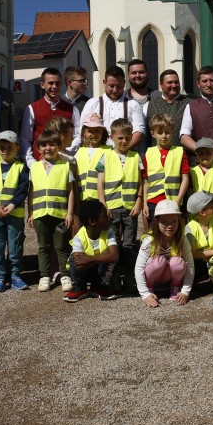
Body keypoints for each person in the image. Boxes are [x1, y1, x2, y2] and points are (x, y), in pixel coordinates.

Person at [27, 129, 76, 293]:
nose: (48, 148)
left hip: (60, 214)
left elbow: (70, 191)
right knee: (43, 246)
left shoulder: (65, 166)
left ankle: (65, 275)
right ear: (38, 148)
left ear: (59, 147)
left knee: (62, 246)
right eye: (43, 145)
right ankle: (44, 276)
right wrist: (31, 213)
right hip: (41, 214)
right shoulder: (34, 167)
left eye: (52, 144)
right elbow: (31, 192)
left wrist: (69, 213)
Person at [0, 131, 30, 292]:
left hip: (14, 214)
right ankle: (0, 277)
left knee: (15, 244)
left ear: (17, 147)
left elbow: (23, 189)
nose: (5, 150)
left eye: (9, 147)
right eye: (1, 147)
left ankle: (16, 275)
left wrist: (12, 205)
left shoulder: (21, 167)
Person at [102, 118, 144, 292]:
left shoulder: (136, 157)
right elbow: (100, 183)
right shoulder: (106, 156)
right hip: (112, 207)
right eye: (120, 138)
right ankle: (111, 279)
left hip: (130, 208)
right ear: (112, 137)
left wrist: (139, 201)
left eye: (127, 137)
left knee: (129, 245)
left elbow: (141, 182)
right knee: (113, 244)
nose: (124, 141)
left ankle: (128, 278)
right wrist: (103, 205)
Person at [135, 200, 195, 307]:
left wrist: (185, 291)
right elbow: (139, 268)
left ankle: (175, 287)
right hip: (153, 280)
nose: (170, 226)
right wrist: (145, 294)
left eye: (173, 221)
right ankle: (150, 288)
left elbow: (190, 266)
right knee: (159, 260)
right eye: (164, 222)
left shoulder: (182, 240)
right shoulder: (149, 240)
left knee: (178, 262)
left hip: (171, 279)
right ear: (157, 222)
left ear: (179, 222)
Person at [20, 67, 80, 167]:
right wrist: (31, 163)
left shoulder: (72, 109)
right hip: (39, 164)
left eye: (58, 83)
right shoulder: (32, 109)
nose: (54, 87)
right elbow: (26, 139)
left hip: (63, 164)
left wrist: (67, 152)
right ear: (42, 85)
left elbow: (77, 135)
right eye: (51, 83)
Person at [79, 66, 146, 149]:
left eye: (119, 86)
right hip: (97, 154)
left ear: (124, 84)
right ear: (104, 82)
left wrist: (120, 151)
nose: (115, 90)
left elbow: (139, 132)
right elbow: (82, 129)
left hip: (124, 155)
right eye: (111, 86)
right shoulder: (92, 103)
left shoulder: (133, 105)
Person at [66, 199, 119, 302]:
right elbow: (79, 265)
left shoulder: (109, 232)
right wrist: (104, 256)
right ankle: (80, 287)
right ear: (92, 221)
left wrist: (89, 259)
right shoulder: (79, 237)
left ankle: (98, 286)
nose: (109, 218)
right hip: (83, 271)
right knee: (74, 258)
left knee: (112, 253)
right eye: (105, 217)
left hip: (95, 268)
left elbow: (115, 256)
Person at [142, 113, 190, 222]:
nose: (164, 136)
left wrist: (177, 201)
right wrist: (145, 204)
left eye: (167, 132)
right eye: (160, 133)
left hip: (173, 202)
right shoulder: (148, 154)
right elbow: (145, 182)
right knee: (153, 234)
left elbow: (185, 180)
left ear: (172, 132)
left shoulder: (179, 152)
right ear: (152, 133)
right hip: (153, 202)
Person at [144, 69, 192, 149]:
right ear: (161, 85)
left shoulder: (190, 104)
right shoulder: (149, 105)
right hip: (156, 157)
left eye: (176, 82)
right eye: (170, 83)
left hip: (181, 156)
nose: (174, 85)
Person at [185, 191, 213, 280]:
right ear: (202, 212)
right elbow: (191, 254)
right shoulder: (189, 229)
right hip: (198, 264)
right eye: (212, 204)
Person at [74, 113, 111, 202]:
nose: (93, 134)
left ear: (102, 131)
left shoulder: (109, 151)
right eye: (90, 131)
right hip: (82, 199)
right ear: (84, 132)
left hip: (101, 199)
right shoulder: (78, 152)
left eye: (97, 130)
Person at [190, 138, 213, 203]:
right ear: (197, 154)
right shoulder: (192, 171)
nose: (205, 155)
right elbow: (189, 192)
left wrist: (211, 205)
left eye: (208, 152)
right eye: (201, 153)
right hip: (195, 210)